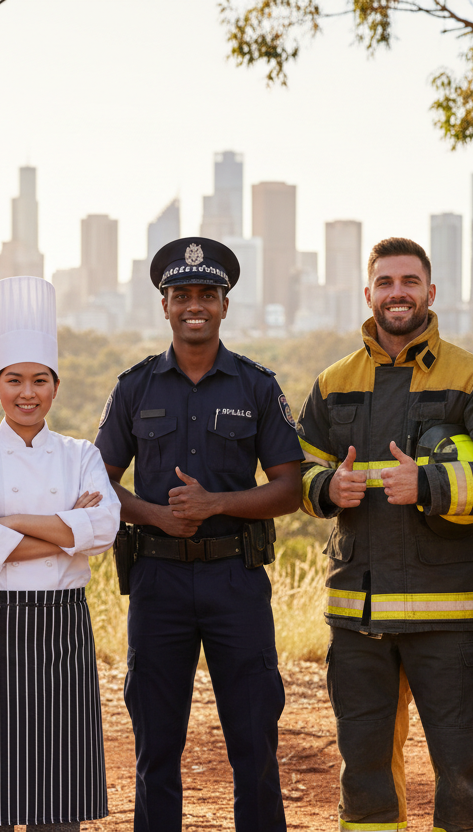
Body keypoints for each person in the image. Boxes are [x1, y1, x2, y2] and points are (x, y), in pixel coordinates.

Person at [294, 237, 473, 832]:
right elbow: (292, 472)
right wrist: (327, 488)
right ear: (368, 292)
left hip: (448, 621)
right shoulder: (332, 383)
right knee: (365, 774)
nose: (396, 293)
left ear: (431, 292)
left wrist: (429, 485)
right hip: (357, 619)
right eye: (385, 282)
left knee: (464, 778)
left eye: (409, 281)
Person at [94, 237, 303, 832]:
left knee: (254, 743)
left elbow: (289, 485)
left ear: (224, 305)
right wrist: (157, 515)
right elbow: (97, 484)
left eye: (206, 295)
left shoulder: (257, 386)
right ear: (164, 305)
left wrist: (218, 504)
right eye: (181, 294)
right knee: (156, 747)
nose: (195, 305)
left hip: (235, 579)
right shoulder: (134, 386)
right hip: (157, 582)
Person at [0, 275, 120, 831]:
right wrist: (68, 526)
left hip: (62, 623)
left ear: (55, 386)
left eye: (39, 380)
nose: (27, 393)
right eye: (14, 380)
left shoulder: (81, 454)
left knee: (60, 792)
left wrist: (11, 523)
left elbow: (106, 528)